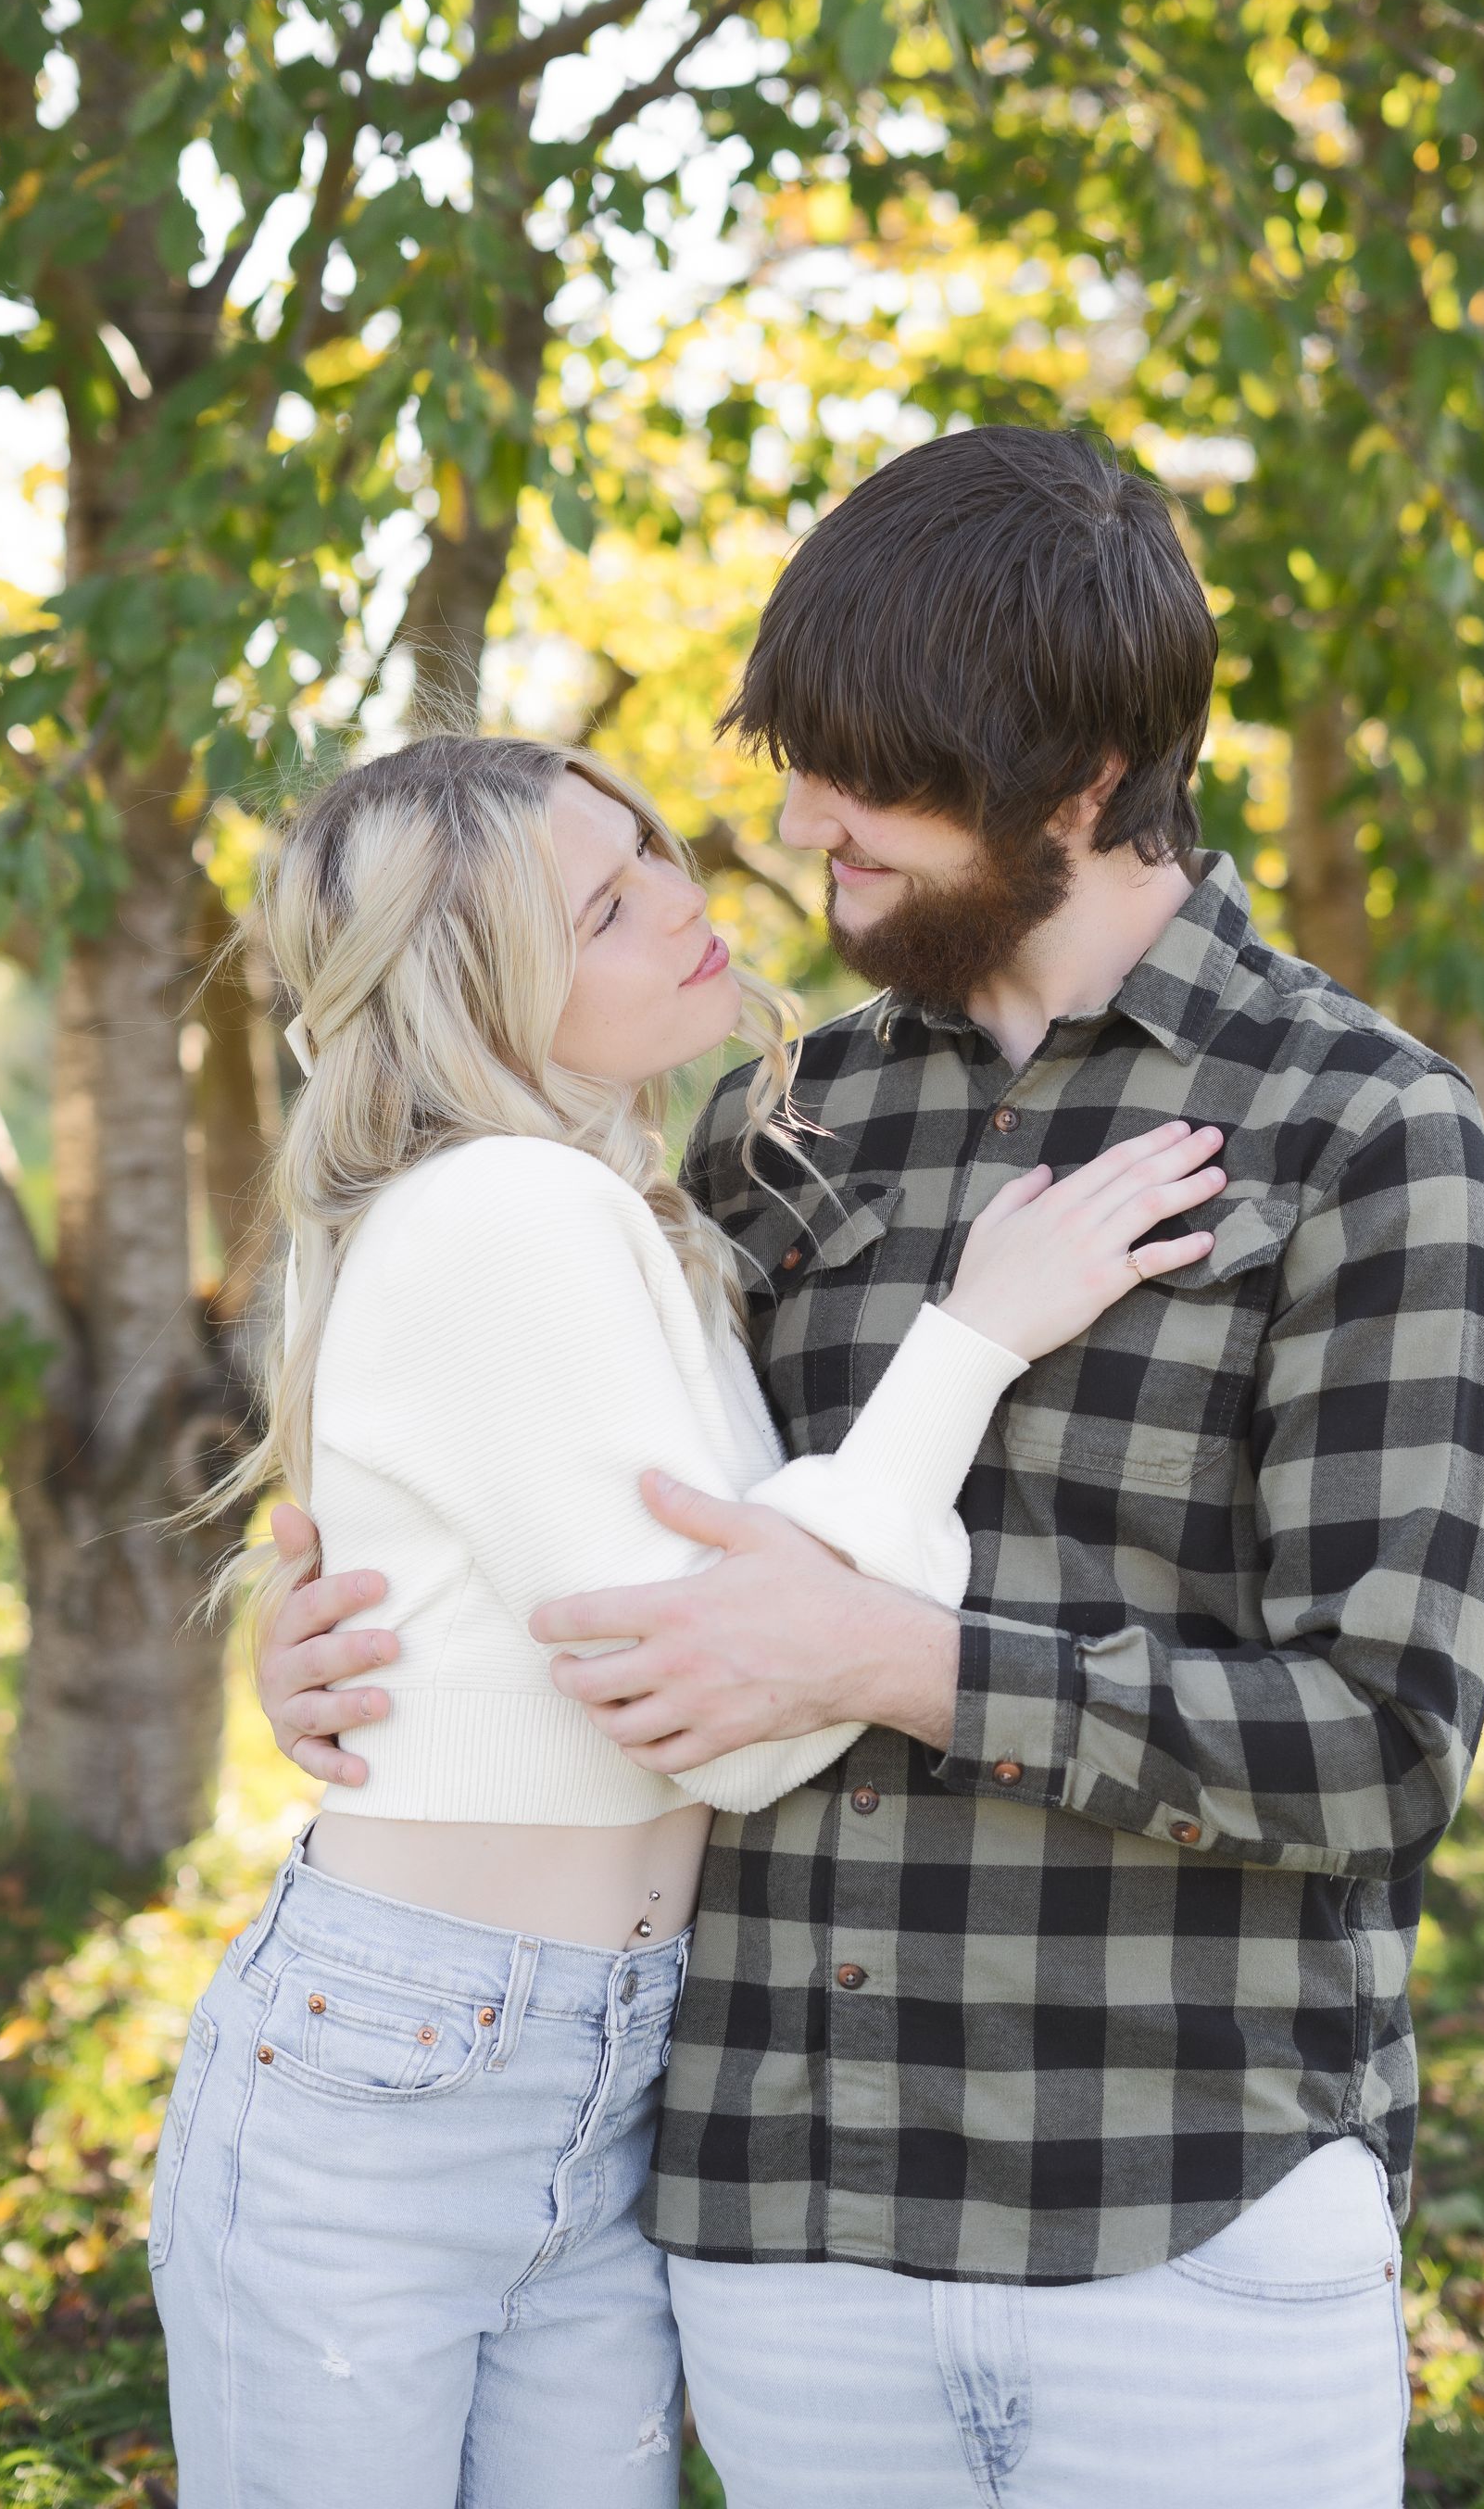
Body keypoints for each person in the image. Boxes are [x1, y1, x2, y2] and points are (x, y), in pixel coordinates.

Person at [259, 427, 1484, 2508]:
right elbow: (532, 1490)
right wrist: (327, 1653)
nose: (796, 827)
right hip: (781, 2226)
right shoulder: (769, 1125)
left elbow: (1379, 1747)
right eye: (793, 754)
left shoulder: (1360, 1134)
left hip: (1179, 2224)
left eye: (871, 780)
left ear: (1085, 787)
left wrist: (890, 1657)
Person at [148, 727, 1230, 2509]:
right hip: (401, 2083)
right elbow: (744, 1714)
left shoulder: (641, 1206)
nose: (683, 900)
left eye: (652, 849)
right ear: (478, 985)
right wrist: (976, 1338)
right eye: (604, 902)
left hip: (599, 2061)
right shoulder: (508, 1209)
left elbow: (721, 1627)